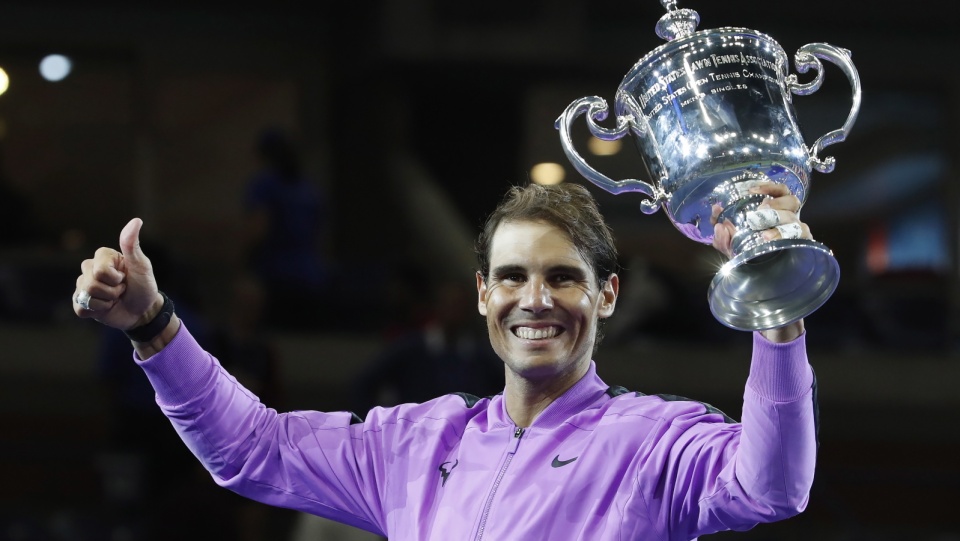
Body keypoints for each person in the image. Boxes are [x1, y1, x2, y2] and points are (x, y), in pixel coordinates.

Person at [73, 181, 817, 540]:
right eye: (514, 277)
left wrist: (778, 311)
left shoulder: (654, 441)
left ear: (608, 295)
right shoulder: (415, 445)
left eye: (563, 277)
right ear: (483, 294)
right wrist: (152, 324)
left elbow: (771, 483)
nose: (537, 299)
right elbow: (250, 449)